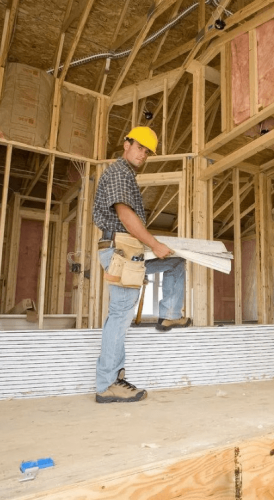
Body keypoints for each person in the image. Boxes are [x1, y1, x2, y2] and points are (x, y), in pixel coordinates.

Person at [92, 126, 191, 404]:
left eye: (147, 152)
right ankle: (107, 384)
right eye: (139, 148)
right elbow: (125, 216)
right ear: (126, 144)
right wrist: (155, 245)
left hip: (130, 252)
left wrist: (151, 249)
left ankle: (169, 314)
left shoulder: (128, 176)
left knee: (175, 263)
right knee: (120, 316)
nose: (143, 155)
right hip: (121, 252)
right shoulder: (119, 173)